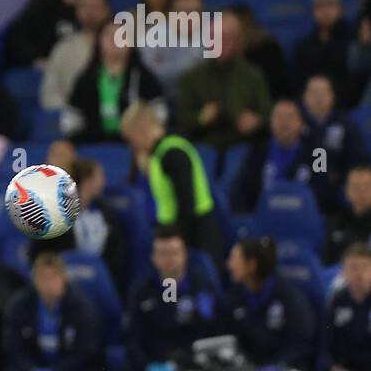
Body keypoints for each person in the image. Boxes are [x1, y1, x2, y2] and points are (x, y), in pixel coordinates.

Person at [125, 226, 221, 371]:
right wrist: (145, 367)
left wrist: (178, 364)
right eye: (163, 253)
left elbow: (209, 336)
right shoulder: (141, 292)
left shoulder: (202, 290)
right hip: (151, 366)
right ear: (153, 257)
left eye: (174, 253)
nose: (169, 259)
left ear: (184, 255)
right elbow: (133, 337)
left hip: (190, 367)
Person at [121, 101, 222, 262]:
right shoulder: (157, 154)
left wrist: (177, 244)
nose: (133, 146)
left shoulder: (173, 153)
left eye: (132, 140)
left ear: (142, 130)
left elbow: (186, 203)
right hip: (176, 233)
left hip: (195, 235)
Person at [0, 252, 99, 371]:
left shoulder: (80, 306)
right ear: (34, 281)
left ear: (63, 279)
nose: (48, 285)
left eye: (53, 278)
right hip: (33, 367)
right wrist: (31, 370)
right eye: (43, 279)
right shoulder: (20, 305)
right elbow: (12, 347)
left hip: (66, 369)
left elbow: (85, 351)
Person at [175, 10, 271, 151]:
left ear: (238, 41)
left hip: (244, 146)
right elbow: (181, 120)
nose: (219, 43)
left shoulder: (253, 76)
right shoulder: (192, 77)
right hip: (203, 146)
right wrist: (201, 118)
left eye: (225, 38)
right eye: (213, 37)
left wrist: (256, 121)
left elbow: (268, 113)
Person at [32, 158, 128, 287]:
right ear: (88, 181)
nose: (104, 181)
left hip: (101, 278)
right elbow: (41, 250)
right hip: (63, 278)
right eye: (100, 176)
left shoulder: (106, 212)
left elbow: (117, 248)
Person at [222, 237, 315, 369]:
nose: (229, 265)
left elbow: (299, 344)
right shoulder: (235, 294)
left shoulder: (287, 296)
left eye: (234, 259)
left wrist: (273, 370)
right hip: (244, 370)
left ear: (251, 265)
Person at [64, 20, 163, 143]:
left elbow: (159, 117)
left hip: (135, 145)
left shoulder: (145, 78)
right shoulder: (85, 80)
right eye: (109, 35)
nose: (115, 40)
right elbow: (71, 121)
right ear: (99, 41)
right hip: (92, 145)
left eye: (121, 36)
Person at [228, 99, 315, 213]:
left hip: (304, 220)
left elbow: (324, 193)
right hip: (264, 221)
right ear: (270, 122)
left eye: (290, 117)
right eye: (279, 117)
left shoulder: (317, 154)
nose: (284, 122)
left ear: (301, 123)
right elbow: (240, 193)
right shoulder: (256, 153)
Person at [302, 73, 367, 211]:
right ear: (305, 97)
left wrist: (339, 178)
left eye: (323, 93)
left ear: (332, 97)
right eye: (313, 93)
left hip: (336, 194)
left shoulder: (346, 126)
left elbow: (359, 161)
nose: (318, 98)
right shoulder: (296, 126)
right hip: (303, 191)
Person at [39, 0, 109, 110]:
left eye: (96, 7)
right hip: (73, 118)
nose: (91, 12)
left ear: (106, 10)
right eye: (85, 7)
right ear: (77, 11)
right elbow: (49, 93)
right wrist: (70, 113)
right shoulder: (64, 48)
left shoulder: (122, 46)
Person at [322, 243, 371, 371]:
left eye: (365, 267)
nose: (359, 273)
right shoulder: (336, 302)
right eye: (353, 267)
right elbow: (324, 348)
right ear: (343, 271)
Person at [139, 0, 207, 100]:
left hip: (196, 100)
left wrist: (167, 68)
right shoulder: (153, 35)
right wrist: (187, 67)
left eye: (196, 12)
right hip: (160, 98)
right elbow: (149, 76)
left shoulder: (208, 35)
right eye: (185, 12)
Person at [292, 0, 355, 104]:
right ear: (313, 11)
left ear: (341, 10)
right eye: (320, 7)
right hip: (309, 110)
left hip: (344, 107)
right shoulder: (303, 45)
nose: (325, 11)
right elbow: (296, 83)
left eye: (330, 5)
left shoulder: (353, 42)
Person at [323, 164, 371, 264]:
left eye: (367, 186)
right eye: (355, 186)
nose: (361, 191)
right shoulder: (335, 221)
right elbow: (327, 261)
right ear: (346, 191)